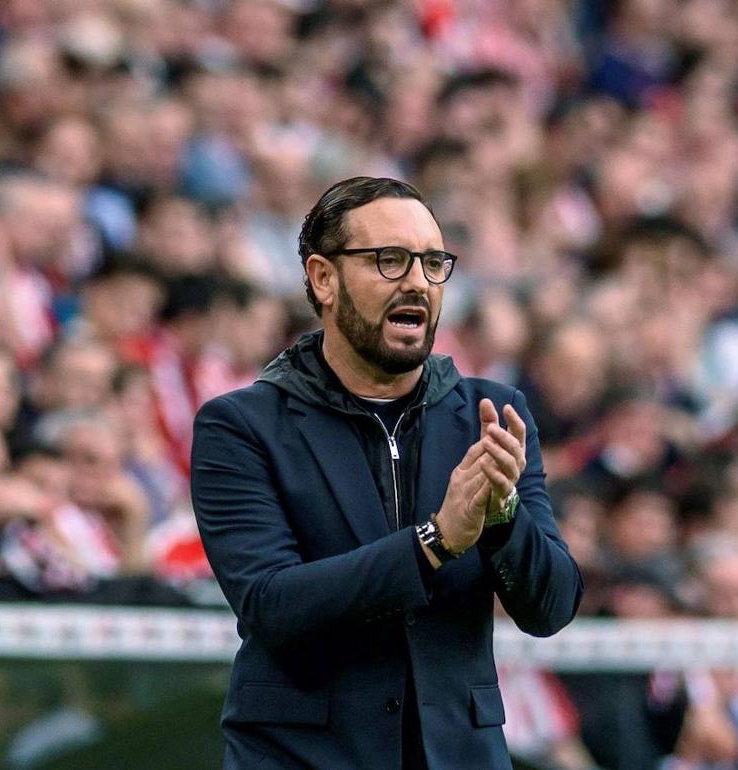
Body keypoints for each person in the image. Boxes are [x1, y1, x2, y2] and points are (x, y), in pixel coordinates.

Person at [191, 177, 584, 769]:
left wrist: (504, 520)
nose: (418, 283)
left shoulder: (492, 414)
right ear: (323, 278)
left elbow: (550, 608)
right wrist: (434, 542)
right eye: (390, 261)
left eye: (432, 264)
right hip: (302, 757)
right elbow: (272, 603)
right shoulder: (241, 425)